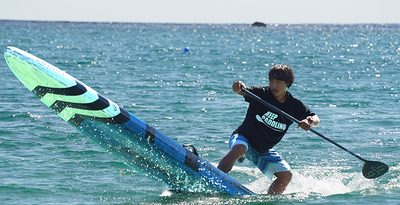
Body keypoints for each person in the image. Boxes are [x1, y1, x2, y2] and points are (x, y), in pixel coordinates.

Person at [217, 64, 320, 195]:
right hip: (243, 137)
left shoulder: (294, 105)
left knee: (286, 175)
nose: (274, 86)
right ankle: (215, 177)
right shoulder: (262, 93)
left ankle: (270, 198)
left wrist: (309, 121)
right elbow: (240, 90)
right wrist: (237, 86)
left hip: (263, 149)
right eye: (271, 81)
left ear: (287, 83)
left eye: (278, 82)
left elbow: (315, 118)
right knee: (240, 148)